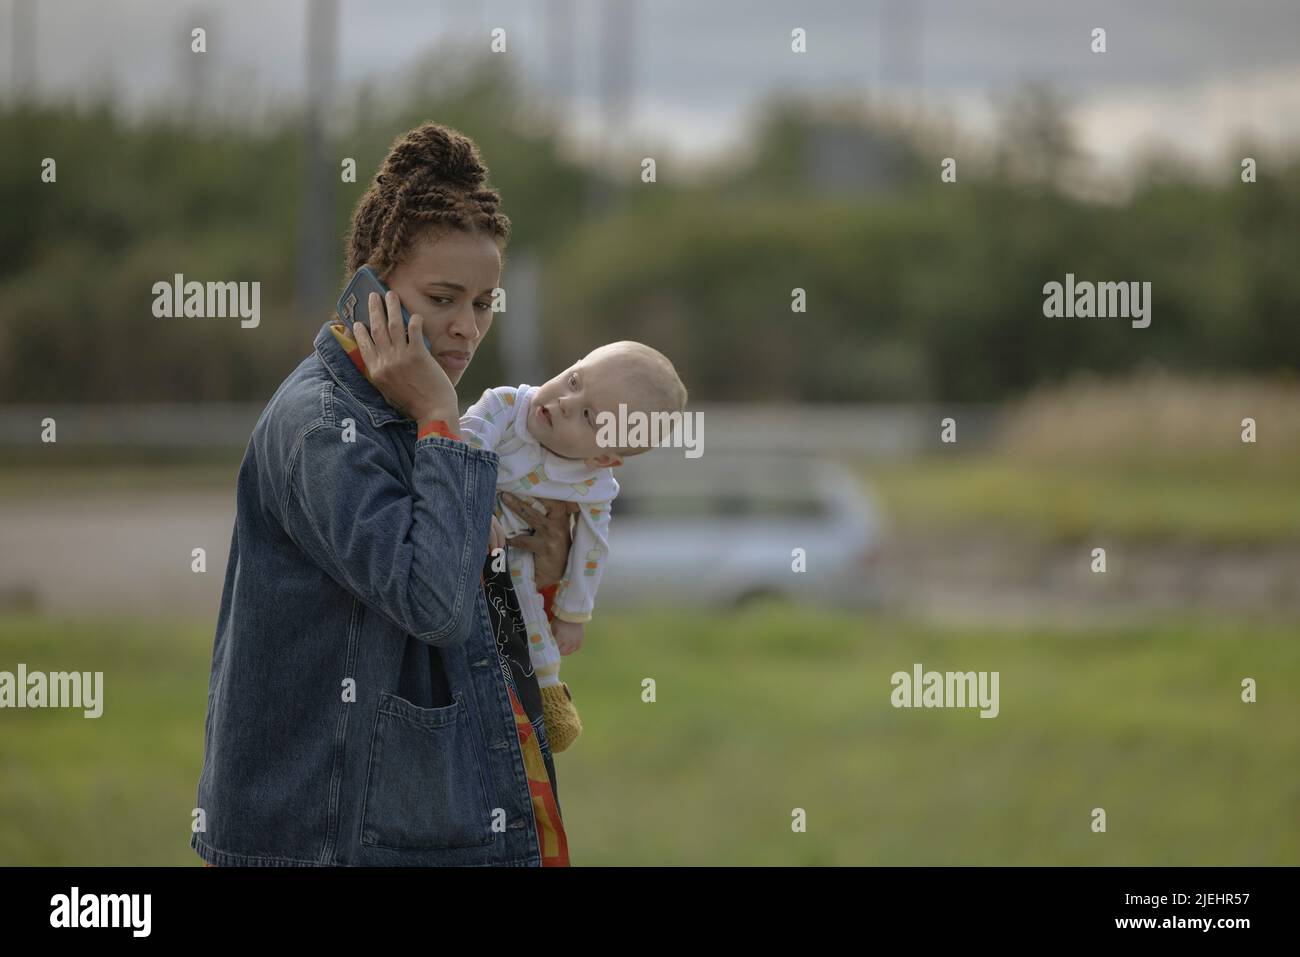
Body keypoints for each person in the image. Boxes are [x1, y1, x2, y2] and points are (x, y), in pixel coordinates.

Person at [192, 122, 576, 866]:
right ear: (372, 290)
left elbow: (468, 624)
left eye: (485, 302)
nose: (467, 329)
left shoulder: (411, 413)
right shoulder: (325, 428)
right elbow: (430, 604)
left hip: (412, 825)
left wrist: (537, 563)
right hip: (323, 838)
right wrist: (439, 414)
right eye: (442, 298)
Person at [460, 341, 688, 751]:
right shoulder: (508, 406)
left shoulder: (592, 484)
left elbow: (592, 550)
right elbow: (465, 439)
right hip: (464, 522)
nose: (564, 401)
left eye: (588, 416)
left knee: (529, 617)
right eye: (574, 379)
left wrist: (573, 612)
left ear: (603, 457)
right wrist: (474, 506)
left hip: (517, 556)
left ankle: (547, 693)